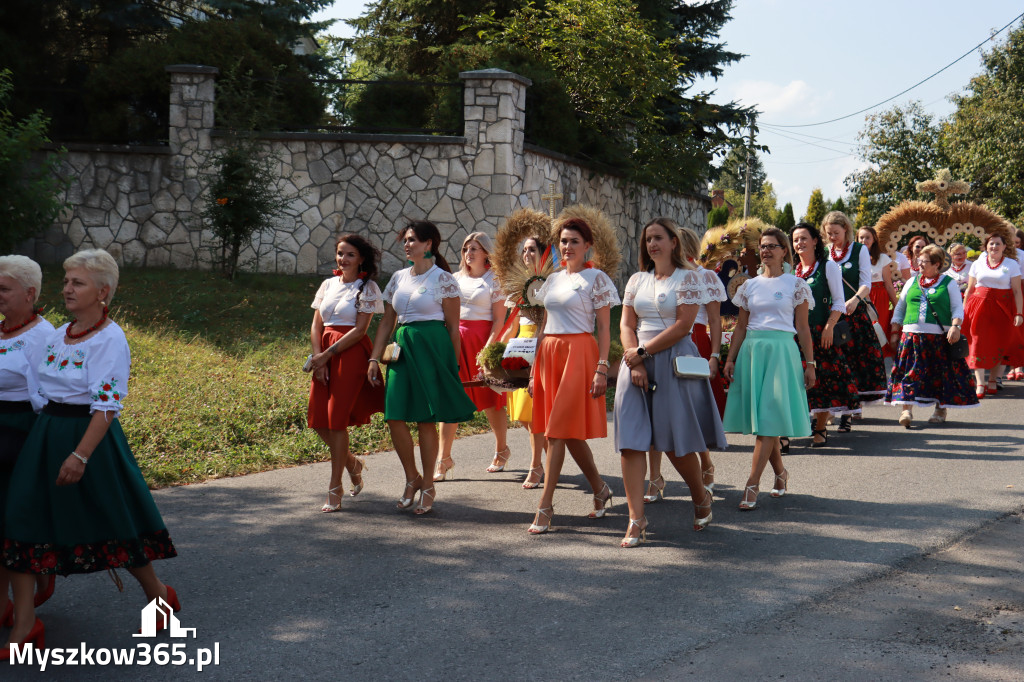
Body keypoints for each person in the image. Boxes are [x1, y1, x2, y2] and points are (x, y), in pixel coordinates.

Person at [3, 249, 178, 656]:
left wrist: (79, 456)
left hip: (88, 438)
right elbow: (36, 390)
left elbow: (106, 406)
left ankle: (158, 594)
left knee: (110, 520)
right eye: (66, 281)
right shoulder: (56, 334)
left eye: (77, 283)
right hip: (46, 433)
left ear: (103, 292)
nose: (66, 288)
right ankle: (25, 622)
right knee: (21, 520)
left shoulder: (110, 339)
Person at [615, 218, 726, 547]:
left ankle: (700, 498)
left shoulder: (688, 278)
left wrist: (644, 352)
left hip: (671, 360)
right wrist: (633, 356)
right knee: (631, 442)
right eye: (648, 239)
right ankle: (636, 519)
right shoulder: (636, 279)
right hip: (634, 360)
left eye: (659, 238)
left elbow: (683, 325)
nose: (652, 244)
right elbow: (625, 323)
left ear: (674, 243)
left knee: (676, 443)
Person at [367, 221, 477, 515]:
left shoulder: (444, 279)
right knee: (395, 416)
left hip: (433, 348)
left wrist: (451, 365)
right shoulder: (399, 278)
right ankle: (412, 477)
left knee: (426, 419)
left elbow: (454, 328)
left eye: (413, 240)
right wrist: (374, 358)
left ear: (429, 244)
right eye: (405, 240)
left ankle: (428, 484)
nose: (407, 244)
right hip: (403, 348)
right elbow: (387, 322)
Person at [527, 217, 619, 534]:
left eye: (574, 241)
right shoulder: (550, 280)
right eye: (563, 241)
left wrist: (602, 367)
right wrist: (532, 371)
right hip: (550, 355)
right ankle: (600, 489)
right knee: (568, 433)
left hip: (579, 354)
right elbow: (543, 325)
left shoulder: (597, 279)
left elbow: (605, 328)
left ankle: (545, 505)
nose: (567, 247)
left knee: (555, 432)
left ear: (587, 246)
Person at [723, 227, 815, 511]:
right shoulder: (749, 285)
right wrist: (730, 358)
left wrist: (810, 364)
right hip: (753, 351)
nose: (766, 251)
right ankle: (781, 473)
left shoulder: (795, 284)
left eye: (773, 246)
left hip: (782, 352)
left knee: (768, 417)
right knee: (766, 421)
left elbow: (802, 327)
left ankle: (752, 484)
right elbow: (740, 326)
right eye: (763, 246)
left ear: (784, 250)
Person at [642, 225, 726, 503]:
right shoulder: (660, 276)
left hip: (693, 342)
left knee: (690, 415)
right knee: (653, 415)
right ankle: (654, 477)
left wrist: (714, 355)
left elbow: (714, 319)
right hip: (659, 343)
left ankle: (706, 464)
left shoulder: (705, 276)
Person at [305, 234, 386, 512]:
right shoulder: (327, 284)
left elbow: (361, 330)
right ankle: (353, 462)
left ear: (361, 258)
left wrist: (329, 355)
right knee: (318, 419)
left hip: (350, 354)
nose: (343, 259)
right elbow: (317, 324)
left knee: (337, 421)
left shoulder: (369, 287)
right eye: (340, 253)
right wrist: (318, 358)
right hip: (324, 352)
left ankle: (335, 487)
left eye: (350, 254)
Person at [0, 257, 56, 629]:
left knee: (13, 527)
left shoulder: (42, 337)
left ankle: (25, 619)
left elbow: (45, 398)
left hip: (20, 435)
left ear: (29, 293)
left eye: (4, 289)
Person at [436, 232, 509, 481]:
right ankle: (443, 459)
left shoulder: (494, 280)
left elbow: (500, 320)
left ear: (486, 253)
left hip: (482, 341)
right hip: (455, 341)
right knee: (450, 398)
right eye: (466, 248)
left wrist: (488, 351)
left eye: (475, 249)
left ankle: (502, 449)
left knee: (490, 399)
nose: (469, 253)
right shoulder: (454, 279)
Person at [887, 244, 979, 425]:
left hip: (938, 338)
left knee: (940, 376)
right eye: (918, 260)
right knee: (909, 374)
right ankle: (906, 410)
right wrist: (895, 331)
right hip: (911, 337)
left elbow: (957, 309)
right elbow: (900, 308)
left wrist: (955, 326)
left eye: (924, 261)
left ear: (937, 264)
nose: (920, 264)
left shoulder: (948, 283)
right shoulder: (912, 282)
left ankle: (940, 409)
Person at [792, 223, 860, 446]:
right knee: (795, 382)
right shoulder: (792, 270)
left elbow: (839, 302)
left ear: (814, 241)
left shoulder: (828, 267)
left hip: (822, 332)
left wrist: (829, 327)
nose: (799, 243)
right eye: (795, 240)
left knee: (824, 381)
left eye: (803, 238)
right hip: (795, 333)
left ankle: (820, 428)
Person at [822, 211, 886, 431]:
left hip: (853, 314)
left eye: (836, 233)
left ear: (846, 230)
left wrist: (855, 299)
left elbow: (866, 283)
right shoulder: (824, 253)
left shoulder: (859, 251)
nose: (832, 237)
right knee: (833, 362)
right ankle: (831, 408)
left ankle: (848, 413)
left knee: (853, 362)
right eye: (828, 233)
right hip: (831, 313)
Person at [500, 236, 547, 489]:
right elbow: (512, 324)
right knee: (522, 415)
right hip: (519, 346)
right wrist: (496, 350)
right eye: (524, 249)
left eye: (532, 249)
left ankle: (536, 466)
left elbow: (545, 324)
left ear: (543, 253)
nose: (527, 253)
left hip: (539, 345)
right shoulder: (519, 284)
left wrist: (539, 348)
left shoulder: (548, 284)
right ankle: (550, 456)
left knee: (533, 410)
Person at [961, 233, 1023, 397]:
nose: (994, 247)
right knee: (977, 342)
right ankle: (980, 383)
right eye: (991, 244)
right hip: (979, 306)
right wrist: (962, 310)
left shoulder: (1012, 264)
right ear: (986, 246)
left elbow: (1017, 291)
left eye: (997, 244)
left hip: (1003, 307)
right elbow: (970, 289)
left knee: (1000, 342)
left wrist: (1019, 312)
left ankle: (994, 380)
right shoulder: (977, 264)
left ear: (1004, 247)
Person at [858, 226, 898, 358]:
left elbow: (888, 284)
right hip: (860, 297)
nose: (864, 240)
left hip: (879, 297)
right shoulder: (853, 258)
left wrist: (898, 307)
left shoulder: (882, 258)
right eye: (861, 237)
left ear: (874, 239)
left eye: (867, 237)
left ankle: (878, 360)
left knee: (878, 329)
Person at [1008, 229, 1024, 381]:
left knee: (1017, 329)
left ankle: (1017, 365)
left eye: (1017, 242)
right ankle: (1009, 364)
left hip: (1019, 292)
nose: (1014, 245)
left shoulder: (1021, 256)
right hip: (1002, 294)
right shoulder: (996, 253)